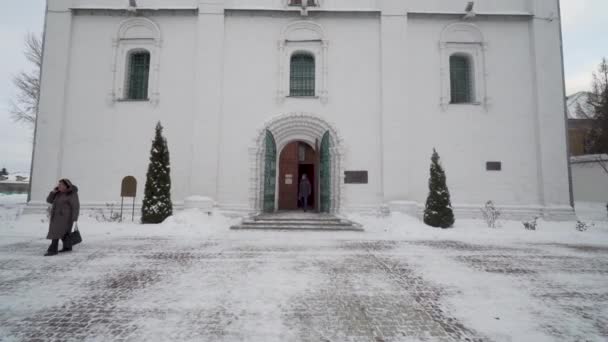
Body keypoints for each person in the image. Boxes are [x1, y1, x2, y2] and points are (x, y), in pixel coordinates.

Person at [45, 179, 80, 256]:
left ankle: (52, 250)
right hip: (56, 217)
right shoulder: (58, 193)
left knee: (56, 232)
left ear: (66, 186)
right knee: (64, 233)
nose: (59, 186)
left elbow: (75, 207)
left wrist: (75, 219)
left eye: (61, 184)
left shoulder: (72, 194)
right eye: (59, 184)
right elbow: (49, 200)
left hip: (66, 218)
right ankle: (67, 247)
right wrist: (53, 192)